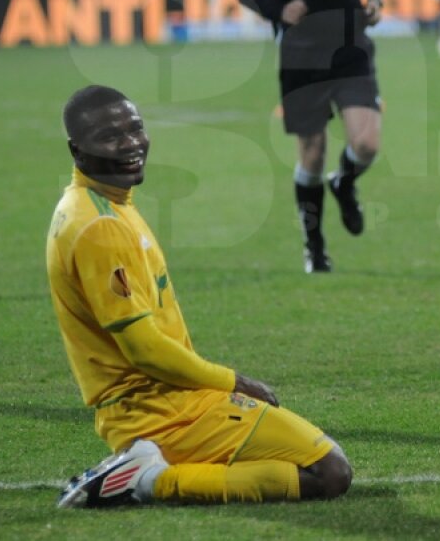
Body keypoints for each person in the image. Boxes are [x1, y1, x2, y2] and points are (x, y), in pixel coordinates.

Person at [48, 85, 352, 508]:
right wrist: (235, 382)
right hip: (158, 409)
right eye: (110, 137)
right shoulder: (101, 227)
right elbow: (144, 350)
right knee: (329, 472)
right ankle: (149, 481)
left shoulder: (98, 204)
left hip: (167, 398)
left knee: (316, 460)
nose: (131, 144)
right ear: (77, 150)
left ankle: (147, 467)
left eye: (135, 129)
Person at [234, 0, 388, 274]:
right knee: (313, 154)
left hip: (352, 50)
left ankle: (345, 182)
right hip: (302, 57)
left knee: (367, 143)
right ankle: (315, 247)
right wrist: (278, 9)